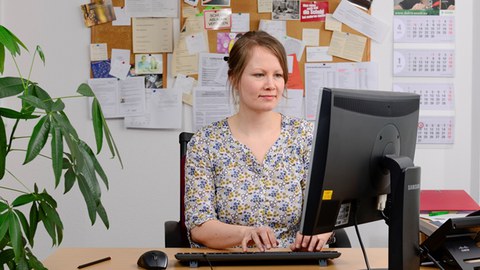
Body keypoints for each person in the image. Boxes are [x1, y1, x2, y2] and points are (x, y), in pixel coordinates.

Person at [184, 31, 333, 252]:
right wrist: (246, 233)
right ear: (234, 78)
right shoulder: (205, 143)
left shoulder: (305, 136)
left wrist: (321, 232)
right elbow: (199, 226)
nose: (271, 85)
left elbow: (327, 207)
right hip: (231, 263)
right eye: (259, 75)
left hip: (295, 262)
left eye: (278, 75)